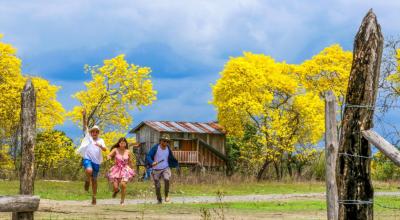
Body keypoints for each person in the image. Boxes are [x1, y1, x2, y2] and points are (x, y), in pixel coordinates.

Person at [76, 109, 107, 205]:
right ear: (91, 133)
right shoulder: (88, 137)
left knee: (95, 180)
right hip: (87, 159)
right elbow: (85, 125)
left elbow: (105, 149)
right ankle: (86, 180)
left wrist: (100, 146)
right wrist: (84, 116)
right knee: (89, 171)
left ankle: (94, 197)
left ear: (98, 133)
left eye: (96, 132)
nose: (94, 133)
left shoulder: (101, 140)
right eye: (93, 132)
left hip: (96, 162)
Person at [145, 134, 178, 204]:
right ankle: (159, 199)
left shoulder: (168, 148)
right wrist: (152, 162)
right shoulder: (155, 148)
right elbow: (148, 156)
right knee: (158, 186)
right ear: (161, 141)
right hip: (156, 169)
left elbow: (171, 157)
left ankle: (166, 196)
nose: (166, 142)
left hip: (165, 168)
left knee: (166, 179)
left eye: (167, 141)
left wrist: (175, 164)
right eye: (164, 141)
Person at [107, 137, 136, 205]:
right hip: (116, 169)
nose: (122, 143)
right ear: (119, 143)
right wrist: (109, 157)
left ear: (126, 144)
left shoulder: (128, 151)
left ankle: (122, 201)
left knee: (123, 185)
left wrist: (132, 170)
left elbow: (130, 161)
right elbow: (109, 155)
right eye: (121, 142)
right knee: (116, 187)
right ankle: (116, 191)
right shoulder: (115, 150)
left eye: (124, 142)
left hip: (125, 169)